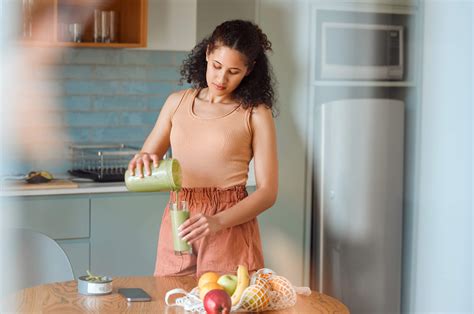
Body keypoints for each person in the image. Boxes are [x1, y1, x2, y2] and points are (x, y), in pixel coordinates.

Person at [128, 20, 278, 277]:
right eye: (217, 66)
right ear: (207, 53)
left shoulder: (255, 114)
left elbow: (268, 192)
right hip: (180, 219)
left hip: (229, 225)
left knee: (223, 304)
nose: (221, 78)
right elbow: (147, 156)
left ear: (249, 70)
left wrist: (218, 221)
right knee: (172, 301)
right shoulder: (176, 103)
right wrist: (143, 160)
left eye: (234, 71)